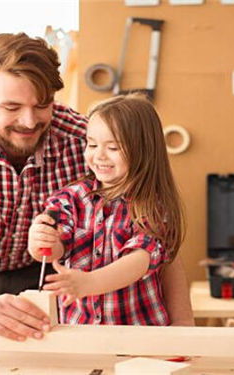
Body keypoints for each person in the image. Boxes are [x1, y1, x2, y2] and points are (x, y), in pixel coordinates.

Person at [0, 33, 193, 342]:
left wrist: (183, 324)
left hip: (52, 280)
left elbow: (157, 236)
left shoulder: (84, 138)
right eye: (12, 107)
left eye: (42, 105)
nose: (29, 121)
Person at [28, 94, 184, 325]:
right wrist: (40, 241)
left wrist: (88, 283)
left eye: (112, 147)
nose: (98, 155)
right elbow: (53, 250)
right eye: (92, 144)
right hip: (83, 338)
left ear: (143, 151)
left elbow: (140, 260)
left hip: (140, 336)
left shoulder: (152, 207)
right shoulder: (71, 199)